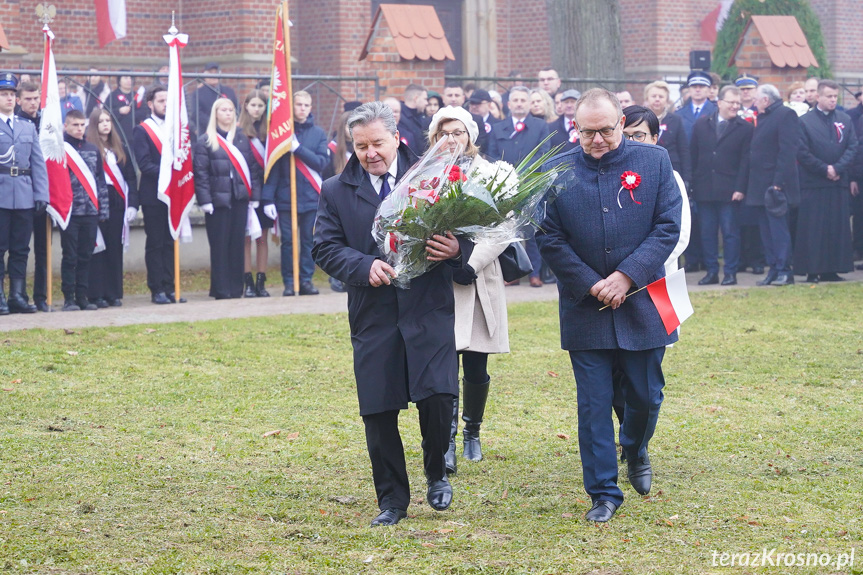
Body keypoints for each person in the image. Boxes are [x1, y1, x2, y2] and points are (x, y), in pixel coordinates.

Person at [313, 101, 471, 527]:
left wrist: (458, 251)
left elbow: (469, 234)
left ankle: (437, 471)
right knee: (378, 410)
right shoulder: (335, 190)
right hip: (374, 314)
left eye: (377, 143)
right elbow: (325, 247)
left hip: (427, 307)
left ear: (396, 137)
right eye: (360, 146)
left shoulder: (434, 178)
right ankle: (392, 500)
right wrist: (363, 266)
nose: (370, 153)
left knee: (438, 397)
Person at [536, 88, 681, 523]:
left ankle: (635, 449)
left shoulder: (654, 163)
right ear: (574, 129)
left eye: (605, 131)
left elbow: (667, 226)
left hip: (643, 300)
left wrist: (626, 275)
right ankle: (603, 492)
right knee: (594, 404)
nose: (596, 140)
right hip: (586, 306)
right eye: (587, 132)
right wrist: (591, 283)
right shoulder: (556, 169)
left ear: (622, 124)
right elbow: (548, 237)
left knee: (645, 396)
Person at [425, 106, 510, 475]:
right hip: (438, 278)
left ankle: (472, 430)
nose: (451, 139)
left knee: (476, 364)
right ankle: (444, 442)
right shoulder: (425, 176)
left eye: (457, 132)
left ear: (470, 136)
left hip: (476, 276)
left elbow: (503, 229)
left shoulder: (493, 175)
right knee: (444, 365)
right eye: (443, 133)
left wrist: (469, 262)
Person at [262, 90, 329, 296]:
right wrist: (267, 199)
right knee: (288, 242)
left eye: (305, 105)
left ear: (310, 108)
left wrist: (298, 148)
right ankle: (290, 282)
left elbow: (321, 163)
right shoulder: (282, 132)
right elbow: (273, 168)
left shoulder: (318, 133)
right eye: (298, 105)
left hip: (310, 198)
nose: (302, 109)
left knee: (309, 242)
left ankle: (306, 280)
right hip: (285, 198)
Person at [193, 98, 262, 299]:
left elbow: (252, 169)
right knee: (219, 244)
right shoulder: (206, 140)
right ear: (216, 114)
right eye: (223, 110)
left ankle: (235, 287)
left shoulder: (241, 139)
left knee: (236, 244)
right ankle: (221, 289)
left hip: (239, 198)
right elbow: (201, 173)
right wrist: (205, 200)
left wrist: (254, 196)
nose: (228, 113)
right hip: (217, 201)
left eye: (231, 110)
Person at [485, 86, 550, 288]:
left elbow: (543, 153)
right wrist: (505, 178)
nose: (520, 103)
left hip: (531, 187)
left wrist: (525, 177)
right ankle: (511, 273)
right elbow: (491, 155)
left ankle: (534, 273)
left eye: (524, 99)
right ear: (509, 104)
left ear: (530, 103)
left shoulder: (540, 126)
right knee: (507, 231)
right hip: (505, 188)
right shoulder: (498, 128)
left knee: (532, 231)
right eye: (516, 100)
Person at [794, 80, 858, 282]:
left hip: (837, 183)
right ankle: (813, 270)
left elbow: (852, 146)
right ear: (818, 97)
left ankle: (833, 268)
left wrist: (838, 168)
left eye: (835, 96)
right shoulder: (805, 121)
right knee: (814, 228)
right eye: (829, 96)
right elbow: (802, 151)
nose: (833, 100)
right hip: (814, 183)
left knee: (836, 227)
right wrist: (824, 169)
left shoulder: (845, 119)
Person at [690, 86, 753, 286]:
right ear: (719, 102)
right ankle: (711, 272)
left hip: (730, 190)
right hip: (705, 188)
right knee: (707, 234)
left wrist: (740, 188)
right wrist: (692, 184)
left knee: (730, 233)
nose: (735, 106)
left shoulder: (745, 128)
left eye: (738, 103)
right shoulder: (701, 124)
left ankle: (730, 272)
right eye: (731, 102)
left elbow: (746, 161)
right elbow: (694, 155)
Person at [0, 74, 49, 315]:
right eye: (4, 94)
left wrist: (42, 194)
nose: (8, 98)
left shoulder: (27, 127)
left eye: (11, 94)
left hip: (24, 195)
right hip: (1, 195)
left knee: (21, 249)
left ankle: (17, 296)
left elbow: (37, 163)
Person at [747, 84, 801, 286]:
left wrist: (778, 183)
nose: (754, 102)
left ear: (766, 100)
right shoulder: (764, 116)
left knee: (779, 231)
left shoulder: (786, 115)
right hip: (761, 185)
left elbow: (787, 151)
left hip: (776, 186)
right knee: (766, 232)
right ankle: (773, 269)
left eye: (756, 99)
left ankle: (785, 270)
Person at [86, 109, 137, 307]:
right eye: (101, 121)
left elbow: (131, 177)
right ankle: (96, 293)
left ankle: (113, 293)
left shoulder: (119, 148)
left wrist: (132, 203)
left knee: (114, 248)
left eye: (108, 120)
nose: (106, 124)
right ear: (93, 125)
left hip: (117, 202)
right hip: (98, 201)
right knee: (98, 248)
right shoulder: (90, 148)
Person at [60, 110, 109, 311]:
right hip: (70, 212)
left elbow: (100, 181)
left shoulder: (92, 149)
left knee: (86, 255)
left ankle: (83, 296)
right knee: (70, 256)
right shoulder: (60, 149)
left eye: (82, 125)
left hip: (90, 212)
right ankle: (69, 298)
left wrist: (103, 210)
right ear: (66, 126)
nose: (79, 129)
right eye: (75, 125)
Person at [133, 85, 178, 305]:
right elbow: (144, 164)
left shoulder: (176, 129)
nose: (166, 104)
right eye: (161, 100)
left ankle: (170, 286)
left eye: (168, 100)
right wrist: (171, 172)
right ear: (151, 104)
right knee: (156, 243)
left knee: (171, 242)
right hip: (153, 196)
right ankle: (156, 288)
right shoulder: (142, 130)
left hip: (174, 194)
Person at [15, 81, 51, 312]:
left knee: (43, 247)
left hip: (44, 192)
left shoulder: (47, 123)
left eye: (36, 98)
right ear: (19, 100)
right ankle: (18, 294)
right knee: (19, 247)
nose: (33, 103)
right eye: (28, 99)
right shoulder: (14, 123)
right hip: (21, 193)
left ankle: (41, 295)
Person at [238, 90, 272, 297]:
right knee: (246, 238)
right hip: (247, 191)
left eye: (261, 106)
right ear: (246, 106)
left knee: (262, 238)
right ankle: (247, 281)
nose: (257, 109)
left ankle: (261, 280)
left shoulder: (270, 132)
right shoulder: (239, 131)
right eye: (253, 105)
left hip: (266, 191)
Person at [193, 63, 238, 133]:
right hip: (207, 130)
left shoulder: (229, 91)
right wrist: (214, 123)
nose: (213, 75)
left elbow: (237, 108)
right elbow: (196, 114)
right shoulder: (198, 93)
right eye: (210, 73)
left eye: (215, 73)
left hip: (228, 130)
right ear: (204, 75)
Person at [105, 73, 139, 155]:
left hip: (134, 135)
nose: (129, 80)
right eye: (126, 78)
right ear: (119, 81)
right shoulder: (112, 96)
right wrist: (119, 111)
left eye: (131, 78)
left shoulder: (137, 96)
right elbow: (105, 112)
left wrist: (130, 114)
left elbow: (143, 112)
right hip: (117, 135)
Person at [677, 71, 716, 141]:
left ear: (709, 89)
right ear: (689, 89)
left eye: (702, 87)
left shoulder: (716, 112)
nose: (697, 90)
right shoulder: (679, 114)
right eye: (694, 87)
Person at [397, 83, 429, 155]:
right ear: (416, 98)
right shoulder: (399, 119)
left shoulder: (421, 117)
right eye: (425, 99)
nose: (427, 103)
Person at [549, 89, 581, 154]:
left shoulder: (586, 126)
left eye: (572, 102)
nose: (569, 105)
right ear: (561, 104)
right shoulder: (551, 127)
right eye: (566, 102)